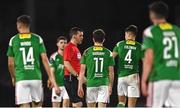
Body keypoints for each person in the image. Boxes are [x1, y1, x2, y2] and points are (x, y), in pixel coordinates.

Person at [7, 15, 60, 107]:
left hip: (21, 78)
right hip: (35, 77)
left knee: (24, 105)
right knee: (37, 105)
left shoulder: (13, 40)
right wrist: (51, 77)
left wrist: (13, 77)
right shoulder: (37, 39)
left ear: (18, 25)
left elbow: (10, 64)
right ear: (29, 25)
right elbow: (45, 59)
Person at [141, 1, 180, 107]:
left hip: (159, 77)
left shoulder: (150, 32)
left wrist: (144, 80)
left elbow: (149, 58)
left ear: (152, 14)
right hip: (177, 77)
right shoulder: (177, 31)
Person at [78, 29, 115, 107]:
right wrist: (110, 86)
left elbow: (81, 72)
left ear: (93, 39)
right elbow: (111, 72)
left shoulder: (87, 52)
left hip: (91, 84)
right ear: (104, 40)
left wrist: (80, 86)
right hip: (104, 84)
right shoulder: (108, 53)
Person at [113, 25, 142, 107]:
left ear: (126, 34)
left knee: (121, 103)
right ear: (134, 35)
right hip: (133, 76)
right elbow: (145, 61)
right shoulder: (140, 46)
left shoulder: (119, 44)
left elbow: (111, 59)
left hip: (121, 76)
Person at [63, 27, 84, 107]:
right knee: (77, 104)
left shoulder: (75, 48)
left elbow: (77, 66)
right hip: (71, 78)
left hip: (75, 79)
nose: (82, 37)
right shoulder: (69, 47)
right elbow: (66, 63)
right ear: (74, 36)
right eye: (80, 35)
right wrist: (77, 75)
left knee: (77, 103)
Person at [48, 36, 70, 107]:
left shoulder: (70, 56)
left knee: (66, 104)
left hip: (68, 85)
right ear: (57, 44)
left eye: (65, 43)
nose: (63, 44)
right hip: (57, 85)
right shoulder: (53, 57)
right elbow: (52, 72)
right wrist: (55, 86)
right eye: (61, 43)